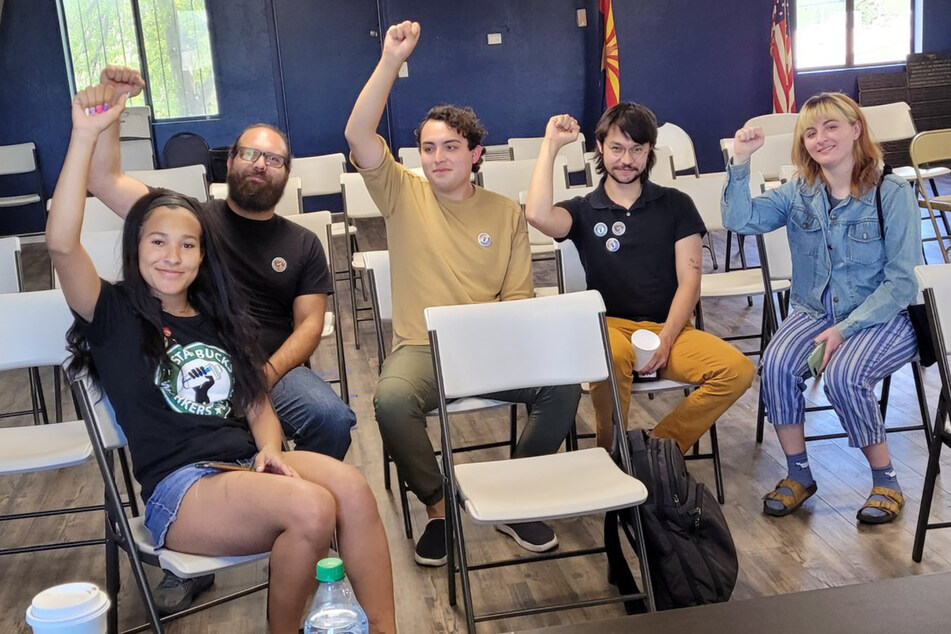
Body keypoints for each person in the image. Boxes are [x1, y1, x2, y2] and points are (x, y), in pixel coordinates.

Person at [48, 85, 396, 634]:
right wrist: (87, 133)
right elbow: (64, 245)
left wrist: (270, 451)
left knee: (350, 489)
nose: (172, 256)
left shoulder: (217, 315)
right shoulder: (112, 312)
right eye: (157, 242)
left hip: (241, 465)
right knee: (311, 509)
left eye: (187, 246)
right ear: (135, 246)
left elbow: (256, 398)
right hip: (181, 488)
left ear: (203, 254)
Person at [344, 21, 580, 567]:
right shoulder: (402, 192)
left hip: (491, 346)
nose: (437, 157)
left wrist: (494, 337)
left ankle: (514, 494)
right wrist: (389, 61)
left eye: (451, 146)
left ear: (476, 154)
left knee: (563, 385)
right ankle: (438, 504)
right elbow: (359, 136)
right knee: (390, 402)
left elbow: (519, 298)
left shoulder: (504, 213)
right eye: (428, 148)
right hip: (421, 349)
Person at [722, 92, 921, 524]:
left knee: (846, 376)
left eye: (831, 126)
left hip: (880, 315)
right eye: (810, 132)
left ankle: (886, 481)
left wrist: (845, 330)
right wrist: (740, 161)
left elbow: (902, 283)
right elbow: (740, 221)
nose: (820, 138)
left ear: (856, 129)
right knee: (774, 364)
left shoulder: (892, 192)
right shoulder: (799, 192)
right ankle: (800, 475)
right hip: (815, 313)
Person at [525, 105, 754, 454]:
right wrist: (551, 145)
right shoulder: (584, 209)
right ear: (600, 148)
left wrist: (665, 339)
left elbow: (690, 282)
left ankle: (653, 450)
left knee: (737, 370)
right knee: (612, 354)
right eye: (617, 148)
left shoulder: (676, 204)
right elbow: (538, 214)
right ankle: (611, 454)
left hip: (671, 330)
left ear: (649, 152)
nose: (626, 159)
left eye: (637, 149)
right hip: (612, 329)